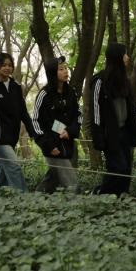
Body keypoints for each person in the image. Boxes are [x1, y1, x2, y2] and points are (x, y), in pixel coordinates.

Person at [89, 43, 136, 197]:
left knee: (126, 171)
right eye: (125, 54)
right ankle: (98, 194)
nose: (127, 57)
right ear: (117, 56)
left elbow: (131, 107)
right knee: (118, 168)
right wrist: (99, 138)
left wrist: (135, 129)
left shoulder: (124, 81)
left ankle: (122, 199)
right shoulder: (99, 81)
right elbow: (95, 111)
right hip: (109, 134)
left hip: (124, 131)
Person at [0, 53, 34, 192]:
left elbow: (23, 110)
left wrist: (31, 130)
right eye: (3, 65)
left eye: (10, 65)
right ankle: (25, 198)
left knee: (2, 170)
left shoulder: (16, 85)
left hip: (12, 135)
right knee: (13, 166)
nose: (7, 68)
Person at [32, 56, 81, 194]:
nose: (65, 71)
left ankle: (33, 201)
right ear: (53, 73)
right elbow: (35, 121)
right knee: (72, 185)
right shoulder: (44, 95)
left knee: (50, 182)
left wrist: (70, 131)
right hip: (53, 147)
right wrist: (48, 145)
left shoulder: (71, 92)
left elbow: (78, 115)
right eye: (61, 69)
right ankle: (78, 206)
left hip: (67, 145)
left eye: (65, 68)